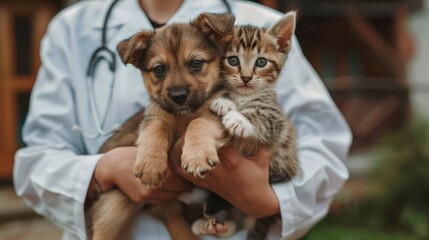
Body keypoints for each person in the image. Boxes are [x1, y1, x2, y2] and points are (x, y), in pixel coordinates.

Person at [13, 0, 352, 239]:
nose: (178, 87)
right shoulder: (71, 28)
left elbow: (325, 146)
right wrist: (101, 171)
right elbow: (36, 159)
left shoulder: (252, 26)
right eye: (159, 71)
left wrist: (265, 201)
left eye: (196, 65)